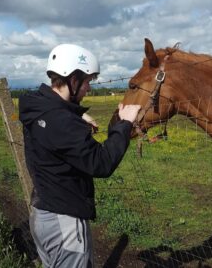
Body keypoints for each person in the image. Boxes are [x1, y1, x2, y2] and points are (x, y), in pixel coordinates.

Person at [19, 43, 141, 268]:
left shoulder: (36, 107)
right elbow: (101, 163)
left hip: (42, 215)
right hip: (65, 223)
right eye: (87, 81)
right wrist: (124, 124)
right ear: (72, 80)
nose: (89, 88)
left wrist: (75, 116)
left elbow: (54, 117)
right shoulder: (62, 122)